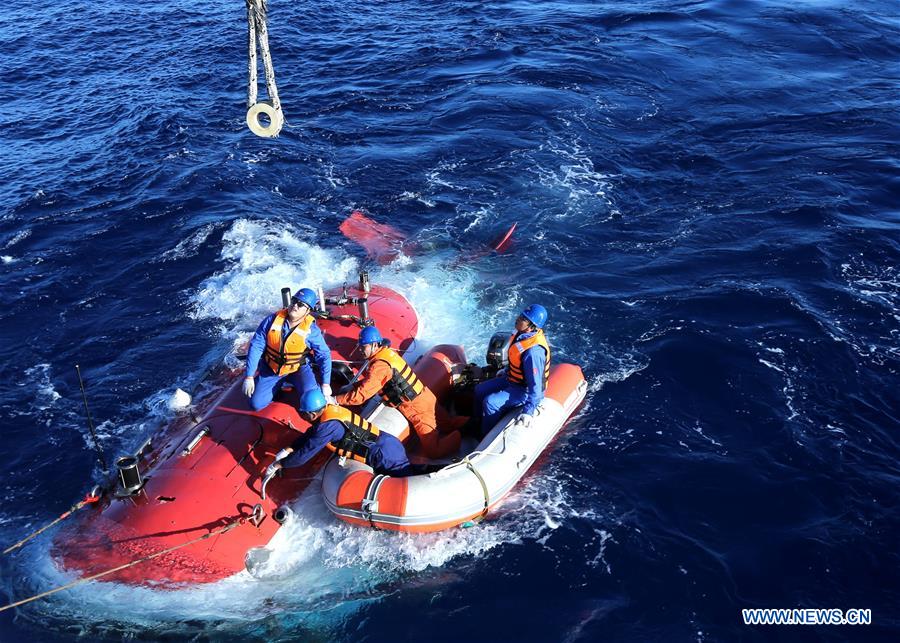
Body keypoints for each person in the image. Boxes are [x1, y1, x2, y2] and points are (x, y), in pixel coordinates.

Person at [335, 326, 462, 459]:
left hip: (417, 408)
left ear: (374, 345)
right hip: (425, 395)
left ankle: (459, 436)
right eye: (360, 346)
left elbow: (362, 395)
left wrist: (337, 400)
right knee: (447, 423)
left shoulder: (380, 366)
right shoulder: (386, 354)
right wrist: (352, 386)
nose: (360, 350)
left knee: (433, 451)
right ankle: (467, 424)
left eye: (363, 347)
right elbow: (372, 381)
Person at [266, 389, 413, 477]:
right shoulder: (330, 410)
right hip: (388, 441)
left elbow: (304, 455)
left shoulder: (326, 428)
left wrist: (280, 464)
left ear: (311, 414)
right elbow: (312, 433)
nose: (301, 416)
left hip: (382, 456)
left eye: (303, 414)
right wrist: (290, 447)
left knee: (406, 479)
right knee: (410, 470)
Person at [243, 288, 333, 411]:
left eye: (301, 304)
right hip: (272, 369)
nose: (295, 306)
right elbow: (256, 345)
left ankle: (301, 383)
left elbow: (324, 355)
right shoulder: (271, 321)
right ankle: (276, 385)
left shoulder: (311, 331)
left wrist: (326, 383)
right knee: (255, 404)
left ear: (308, 311)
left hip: (298, 369)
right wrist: (249, 376)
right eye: (294, 301)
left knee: (313, 401)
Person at [474, 304, 551, 435]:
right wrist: (507, 370)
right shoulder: (520, 334)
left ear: (532, 326)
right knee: (479, 390)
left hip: (523, 389)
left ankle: (484, 436)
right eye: (521, 315)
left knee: (490, 402)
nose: (518, 318)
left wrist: (528, 411)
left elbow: (535, 386)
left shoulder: (534, 352)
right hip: (511, 378)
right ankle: (475, 424)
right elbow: (516, 357)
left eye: (524, 319)